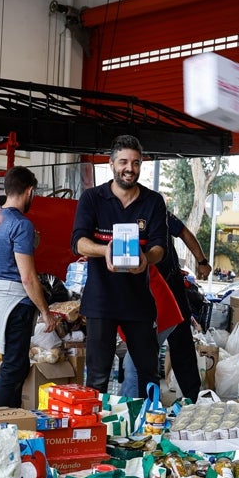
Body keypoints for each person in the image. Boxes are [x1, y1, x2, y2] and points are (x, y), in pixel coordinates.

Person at [71, 135, 168, 394]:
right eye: (123, 161)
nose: (130, 168)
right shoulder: (92, 198)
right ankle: (96, 433)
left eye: (136, 163)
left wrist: (147, 258)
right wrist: (105, 251)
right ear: (112, 163)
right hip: (101, 302)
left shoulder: (153, 201)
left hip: (138, 303)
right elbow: (78, 242)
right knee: (98, 377)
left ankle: (151, 427)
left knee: (148, 373)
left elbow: (160, 246)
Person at [0, 165, 58, 408]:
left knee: (17, 364)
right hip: (16, 303)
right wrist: (45, 311)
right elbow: (28, 278)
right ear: (30, 191)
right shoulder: (22, 225)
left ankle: (10, 419)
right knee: (13, 365)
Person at [122, 211, 212, 399]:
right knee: (141, 359)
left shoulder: (156, 212)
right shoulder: (118, 218)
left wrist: (202, 261)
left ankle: (191, 398)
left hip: (168, 289)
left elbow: (185, 233)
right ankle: (146, 404)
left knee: (180, 345)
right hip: (143, 294)